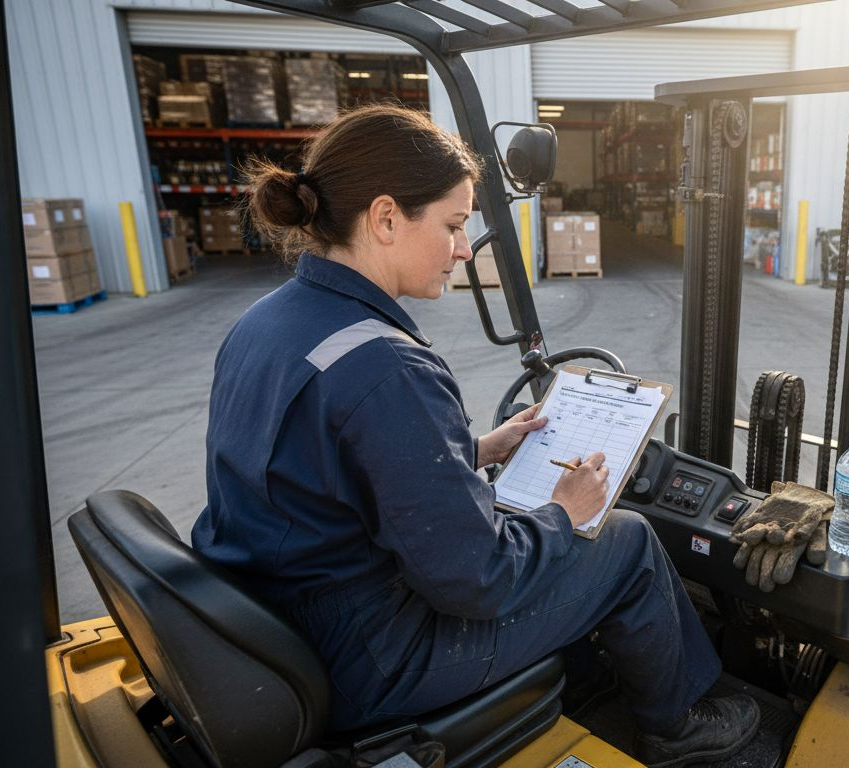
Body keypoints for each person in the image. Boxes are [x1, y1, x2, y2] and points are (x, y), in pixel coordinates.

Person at [190, 104, 757, 766]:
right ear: (384, 218)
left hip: (285, 624)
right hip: (371, 663)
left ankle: (586, 679)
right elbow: (479, 580)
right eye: (455, 225)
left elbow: (323, 470)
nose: (464, 249)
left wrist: (474, 452)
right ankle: (675, 727)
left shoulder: (268, 321)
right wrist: (563, 512)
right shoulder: (386, 366)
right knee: (625, 540)